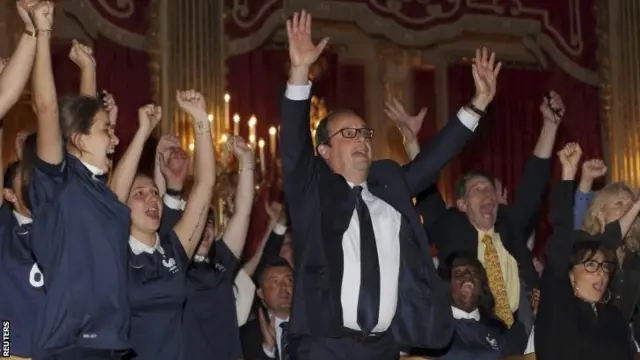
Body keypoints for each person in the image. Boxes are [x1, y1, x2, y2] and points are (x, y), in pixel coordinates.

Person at [280, 10, 501, 358]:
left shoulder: (389, 184)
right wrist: (299, 73)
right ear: (324, 151)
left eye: (365, 133)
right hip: (324, 348)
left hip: (383, 349)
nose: (361, 141)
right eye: (348, 134)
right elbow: (293, 147)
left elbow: (433, 160)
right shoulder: (313, 191)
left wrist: (479, 104)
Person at [410, 91, 562, 330]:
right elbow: (427, 192)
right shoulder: (452, 228)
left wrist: (550, 126)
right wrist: (411, 141)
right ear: (462, 205)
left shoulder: (509, 224)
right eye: (477, 190)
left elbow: (533, 184)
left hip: (526, 328)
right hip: (473, 335)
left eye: (490, 189)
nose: (487, 194)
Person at [124, 90, 215, 360]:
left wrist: (200, 119)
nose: (151, 197)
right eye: (139, 194)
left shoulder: (173, 249)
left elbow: (205, 184)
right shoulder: (114, 254)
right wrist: (142, 134)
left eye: (154, 192)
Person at [535, 142, 638, 360]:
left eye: (604, 268)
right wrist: (569, 173)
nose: (601, 273)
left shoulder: (611, 316)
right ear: (570, 276)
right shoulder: (559, 306)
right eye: (591, 266)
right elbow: (563, 238)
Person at [182, 135, 254, 360]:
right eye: (198, 225)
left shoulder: (222, 257)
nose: (205, 232)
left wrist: (247, 162)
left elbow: (243, 211)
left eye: (209, 224)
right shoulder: (172, 262)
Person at [437, 253, 528, 360]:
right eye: (458, 272)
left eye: (474, 272)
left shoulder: (498, 329)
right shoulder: (432, 328)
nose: (468, 276)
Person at [240, 257, 294, 360]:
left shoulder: (314, 327)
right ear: (260, 293)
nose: (284, 287)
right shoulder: (246, 335)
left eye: (289, 280)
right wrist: (268, 350)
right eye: (275, 282)